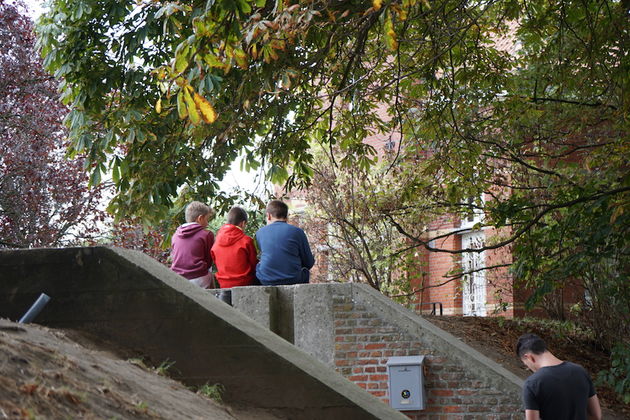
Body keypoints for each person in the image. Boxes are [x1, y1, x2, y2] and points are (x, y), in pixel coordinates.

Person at [516, 333, 602, 420]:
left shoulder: (532, 384)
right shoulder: (580, 371)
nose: (529, 368)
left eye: (526, 364)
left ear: (529, 357)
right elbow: (596, 416)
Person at [255, 200, 314, 285]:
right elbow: (309, 262)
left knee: (259, 266)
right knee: (305, 271)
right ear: (287, 216)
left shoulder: (259, 233)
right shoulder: (297, 232)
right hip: (293, 279)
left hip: (266, 280)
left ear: (268, 216)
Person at [170, 201, 215, 288]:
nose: (207, 223)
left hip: (177, 277)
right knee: (210, 276)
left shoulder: (175, 235)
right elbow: (209, 261)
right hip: (198, 277)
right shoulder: (206, 234)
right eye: (207, 219)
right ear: (200, 218)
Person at [211, 206, 258, 288]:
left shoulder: (216, 242)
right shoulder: (246, 240)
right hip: (245, 283)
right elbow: (254, 264)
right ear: (243, 223)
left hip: (224, 284)